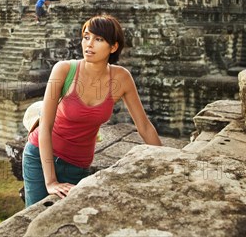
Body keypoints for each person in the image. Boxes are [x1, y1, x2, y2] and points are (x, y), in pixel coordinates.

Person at [22, 14, 162, 207]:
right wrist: (51, 182)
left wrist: (166, 160)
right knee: (36, 218)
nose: (89, 44)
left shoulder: (121, 78)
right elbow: (45, 126)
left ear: (113, 47)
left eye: (98, 39)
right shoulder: (63, 70)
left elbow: (144, 126)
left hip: (77, 165)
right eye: (86, 37)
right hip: (40, 158)